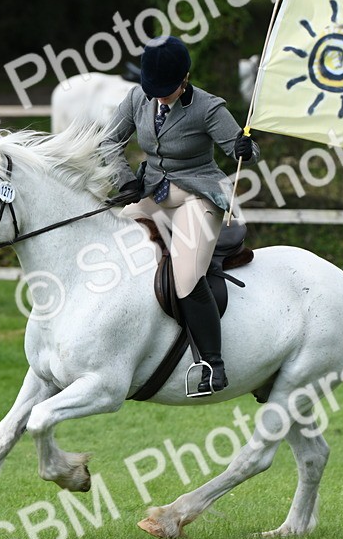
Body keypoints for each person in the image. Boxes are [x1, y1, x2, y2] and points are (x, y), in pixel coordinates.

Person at [101, 35, 258, 394]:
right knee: (107, 241)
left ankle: (212, 363)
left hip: (198, 197)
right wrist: (125, 181)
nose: (158, 97)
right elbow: (109, 141)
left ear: (185, 77)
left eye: (166, 89)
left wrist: (245, 149)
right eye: (153, 89)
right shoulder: (138, 97)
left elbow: (242, 148)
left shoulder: (208, 107)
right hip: (154, 193)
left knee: (186, 276)